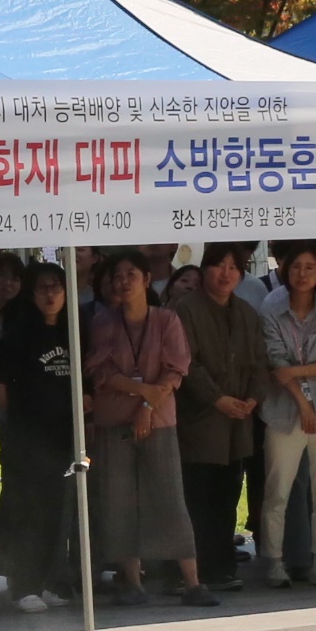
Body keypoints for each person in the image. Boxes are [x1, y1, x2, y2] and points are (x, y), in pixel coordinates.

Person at [86, 253, 209, 606]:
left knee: (170, 498)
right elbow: (102, 373)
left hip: (160, 420)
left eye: (131, 274)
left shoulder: (167, 319)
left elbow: (176, 369)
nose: (123, 281)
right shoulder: (102, 321)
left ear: (146, 279)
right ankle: (132, 581)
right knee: (119, 500)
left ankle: (193, 582)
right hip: (114, 421)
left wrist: (146, 407)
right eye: (117, 275)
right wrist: (144, 392)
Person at [175, 245, 271, 595]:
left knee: (227, 497)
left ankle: (221, 566)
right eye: (220, 266)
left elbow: (260, 361)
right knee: (196, 499)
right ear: (204, 271)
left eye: (235, 267)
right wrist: (217, 399)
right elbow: (186, 362)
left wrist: (253, 398)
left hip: (238, 422)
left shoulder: (246, 312)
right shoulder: (184, 310)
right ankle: (192, 572)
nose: (227, 273)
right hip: (199, 420)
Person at [0, 262, 78, 613]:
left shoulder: (73, 333)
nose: (51, 293)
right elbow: (0, 392)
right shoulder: (15, 337)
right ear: (31, 292)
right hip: (25, 439)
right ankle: (21, 584)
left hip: (62, 440)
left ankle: (46, 581)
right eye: (43, 287)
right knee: (26, 513)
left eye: (57, 286)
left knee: (55, 514)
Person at [256, 246, 316, 588]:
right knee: (277, 490)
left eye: (310, 267)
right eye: (297, 267)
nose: (303, 273)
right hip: (284, 411)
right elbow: (277, 365)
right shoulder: (271, 312)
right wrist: (302, 401)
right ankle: (274, 562)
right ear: (284, 270)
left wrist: (298, 371)